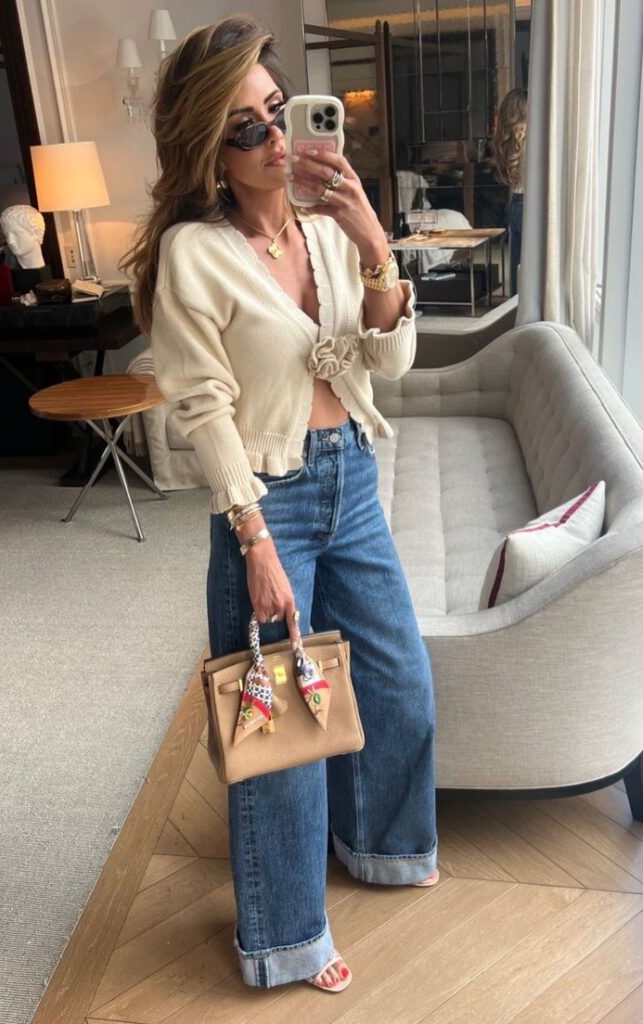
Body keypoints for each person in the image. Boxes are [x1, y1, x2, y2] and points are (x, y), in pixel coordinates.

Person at [120, 15, 438, 994]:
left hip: (353, 478)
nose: (272, 139)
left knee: (397, 681)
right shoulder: (195, 254)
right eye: (245, 129)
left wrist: (373, 242)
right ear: (208, 152)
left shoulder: (329, 228)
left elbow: (389, 359)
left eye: (278, 113)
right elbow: (200, 406)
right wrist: (250, 534)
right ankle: (286, 935)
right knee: (280, 730)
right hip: (271, 499)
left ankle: (380, 845)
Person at [491, 88, 527, 295]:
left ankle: (517, 307)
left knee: (517, 268)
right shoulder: (534, 141)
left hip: (517, 203)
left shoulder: (512, 143)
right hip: (530, 204)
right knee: (532, 269)